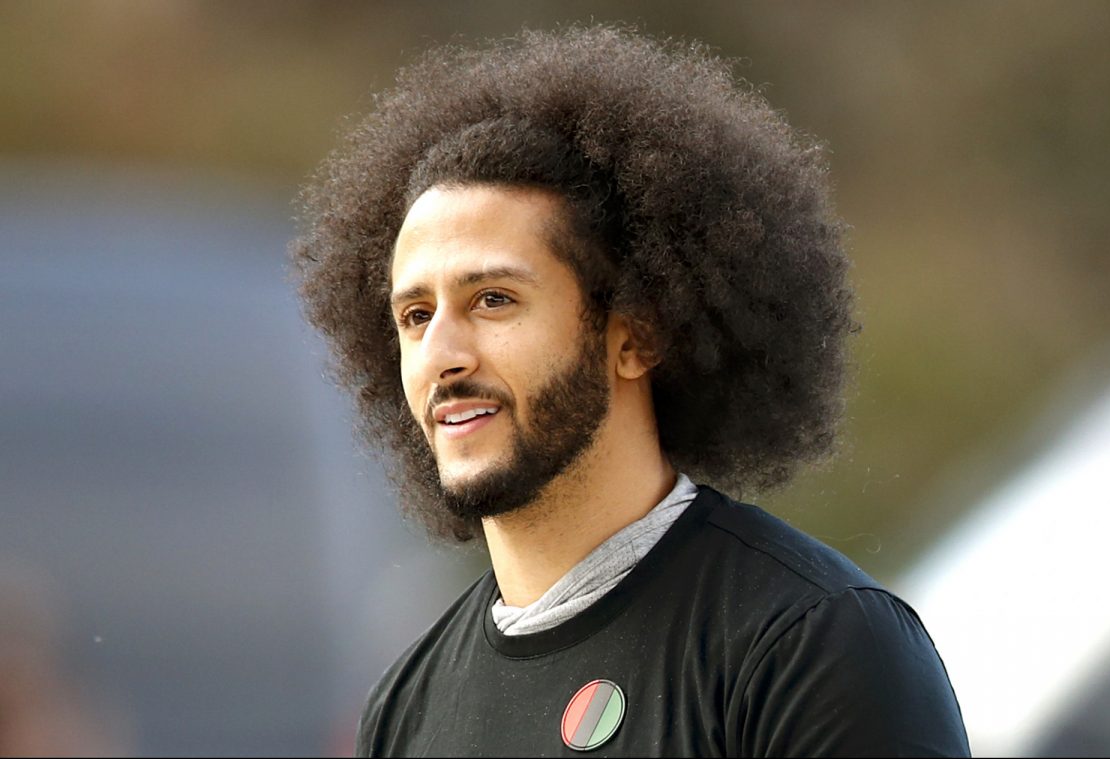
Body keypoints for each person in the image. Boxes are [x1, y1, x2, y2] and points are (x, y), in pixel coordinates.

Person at [291, 25, 970, 758]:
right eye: (415, 316)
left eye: (493, 299)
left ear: (636, 334)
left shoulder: (812, 646)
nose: (442, 355)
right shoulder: (404, 710)